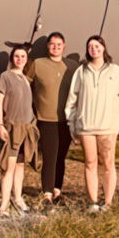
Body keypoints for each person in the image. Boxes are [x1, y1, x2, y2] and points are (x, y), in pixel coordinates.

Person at [65, 35, 119, 213]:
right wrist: (71, 123)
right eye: (90, 46)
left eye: (97, 45)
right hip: (86, 126)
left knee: (108, 163)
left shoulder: (115, 71)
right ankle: (92, 202)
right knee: (90, 163)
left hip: (108, 126)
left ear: (103, 47)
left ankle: (108, 202)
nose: (94, 49)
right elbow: (72, 99)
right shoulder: (82, 71)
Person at [24, 32, 75, 206]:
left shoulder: (71, 66)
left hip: (66, 120)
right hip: (46, 119)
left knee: (61, 157)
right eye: (52, 44)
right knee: (50, 157)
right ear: (47, 46)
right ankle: (46, 193)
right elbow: (24, 85)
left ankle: (57, 191)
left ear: (64, 46)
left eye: (59, 44)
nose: (55, 47)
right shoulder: (37, 64)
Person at [0, 45, 39, 215]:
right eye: (16, 56)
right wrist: (0, 125)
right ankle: (4, 204)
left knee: (21, 165)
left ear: (26, 59)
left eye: (23, 56)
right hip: (12, 128)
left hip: (26, 128)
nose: (19, 59)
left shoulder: (28, 81)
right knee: (9, 166)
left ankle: (18, 198)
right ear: (12, 58)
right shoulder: (5, 77)